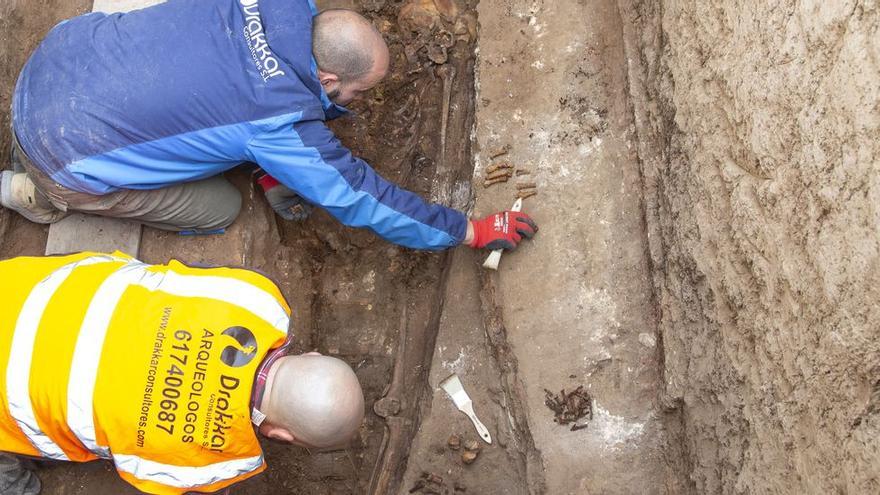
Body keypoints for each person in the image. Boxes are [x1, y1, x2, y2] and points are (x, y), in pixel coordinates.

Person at [0, 0, 537, 252]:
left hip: (58, 55)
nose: (357, 102)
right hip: (58, 153)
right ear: (328, 76)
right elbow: (359, 197)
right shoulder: (282, 121)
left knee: (210, 104)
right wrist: (466, 230)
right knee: (220, 210)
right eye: (356, 92)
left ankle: (265, 168)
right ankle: (39, 196)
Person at [0, 252, 364, 494]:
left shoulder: (258, 298)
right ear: (281, 435)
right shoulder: (216, 463)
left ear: (311, 354)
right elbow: (135, 471)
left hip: (18, 289)